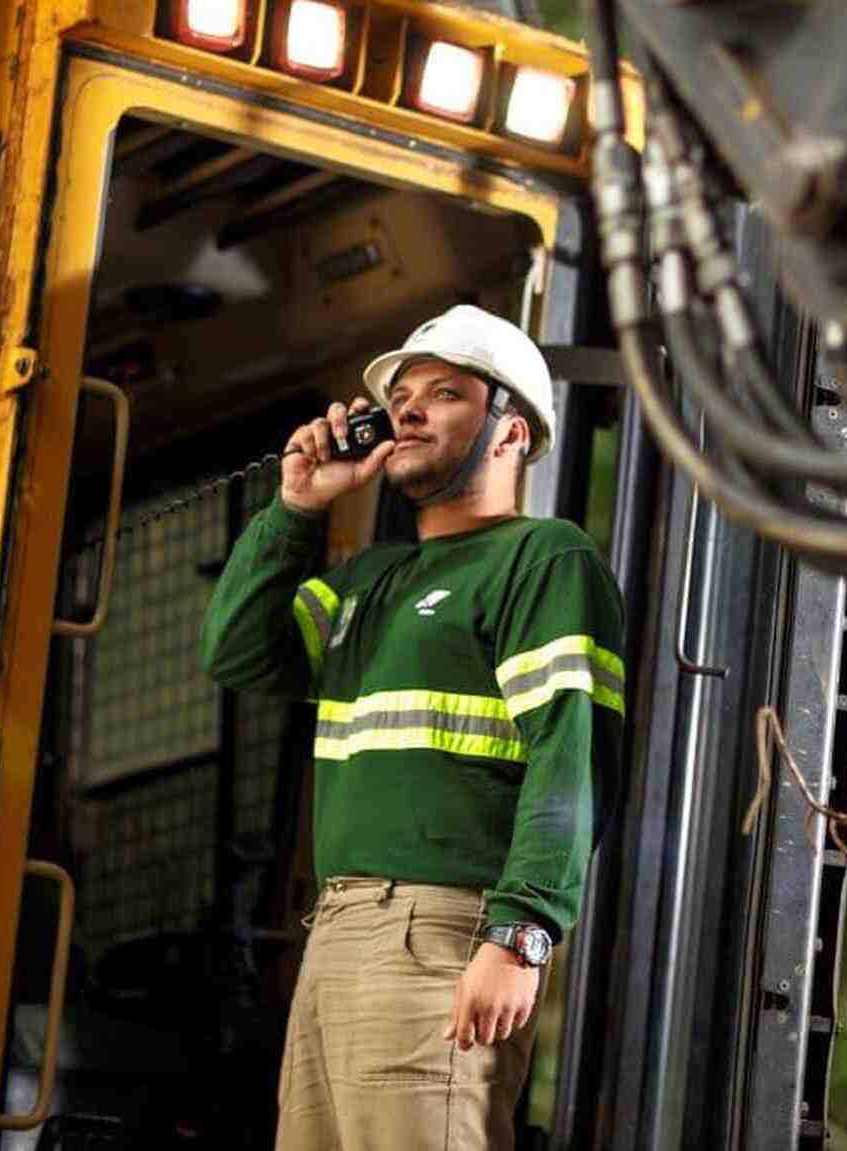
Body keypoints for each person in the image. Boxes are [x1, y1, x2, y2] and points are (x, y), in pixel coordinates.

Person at [201, 304, 625, 1150]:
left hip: (440, 936)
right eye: (400, 395)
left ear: (511, 431)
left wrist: (522, 930)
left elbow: (569, 756)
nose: (408, 408)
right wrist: (296, 508)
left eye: (444, 392)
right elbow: (240, 653)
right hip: (337, 936)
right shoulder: (370, 579)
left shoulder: (544, 559)